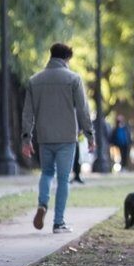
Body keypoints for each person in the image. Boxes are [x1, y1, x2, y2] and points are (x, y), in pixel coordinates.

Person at [21, 43, 95, 234]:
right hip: (67, 137)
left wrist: (26, 138)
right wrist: (89, 134)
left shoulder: (34, 80)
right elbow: (83, 110)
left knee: (46, 173)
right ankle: (58, 222)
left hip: (44, 136)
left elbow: (28, 113)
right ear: (66, 59)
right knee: (63, 179)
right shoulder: (73, 79)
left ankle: (42, 204)